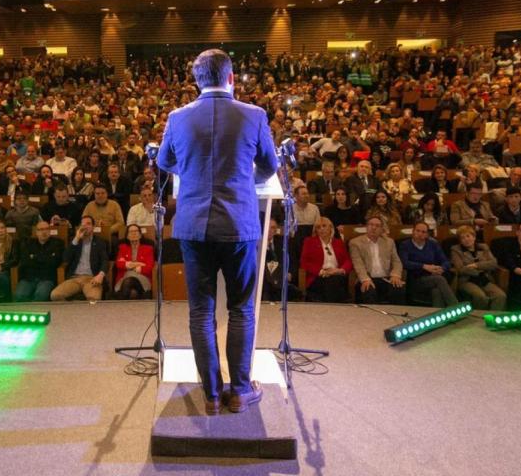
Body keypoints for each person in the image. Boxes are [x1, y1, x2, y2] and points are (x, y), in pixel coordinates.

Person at [157, 48, 277, 415]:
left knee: (200, 311)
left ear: (196, 80)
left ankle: (210, 395)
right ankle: (239, 391)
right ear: (231, 77)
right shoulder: (253, 115)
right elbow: (269, 166)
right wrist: (244, 180)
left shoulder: (177, 118)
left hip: (193, 227)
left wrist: (193, 174)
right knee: (241, 308)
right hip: (238, 226)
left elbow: (164, 161)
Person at [398, 222, 458, 307]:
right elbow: (404, 263)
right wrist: (424, 266)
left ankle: (438, 315)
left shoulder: (433, 244)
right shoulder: (405, 245)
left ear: (427, 234)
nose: (420, 234)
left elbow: (446, 261)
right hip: (415, 279)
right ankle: (455, 307)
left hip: (433, 277)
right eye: (417, 231)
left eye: (423, 232)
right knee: (439, 280)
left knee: (436, 291)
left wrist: (441, 269)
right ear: (413, 231)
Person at [348, 215, 405, 305]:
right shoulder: (355, 243)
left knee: (398, 288)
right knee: (368, 290)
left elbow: (396, 261)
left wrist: (396, 275)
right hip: (367, 278)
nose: (374, 228)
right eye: (371, 225)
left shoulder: (389, 242)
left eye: (377, 226)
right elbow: (358, 264)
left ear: (382, 229)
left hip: (386, 278)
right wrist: (365, 279)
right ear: (366, 227)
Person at [450, 225, 505, 310]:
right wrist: (484, 267)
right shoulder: (456, 250)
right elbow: (460, 269)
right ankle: (480, 319)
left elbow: (494, 263)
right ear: (460, 241)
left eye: (468, 236)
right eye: (462, 238)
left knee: (500, 296)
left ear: (474, 236)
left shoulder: (483, 247)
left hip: (484, 279)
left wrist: (476, 265)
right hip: (467, 280)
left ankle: (492, 318)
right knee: (480, 297)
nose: (466, 239)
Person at [299, 217, 352, 303]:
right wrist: (321, 272)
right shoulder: (309, 242)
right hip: (317, 276)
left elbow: (347, 261)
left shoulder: (338, 242)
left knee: (334, 281)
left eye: (324, 226)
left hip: (337, 275)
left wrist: (339, 270)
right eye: (318, 227)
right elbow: (304, 262)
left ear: (331, 228)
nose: (321, 229)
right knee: (332, 284)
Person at [15, 221, 65, 302]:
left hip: (47, 278)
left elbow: (55, 262)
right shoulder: (28, 244)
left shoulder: (57, 243)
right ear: (36, 232)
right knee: (19, 295)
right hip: (29, 278)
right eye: (41, 229)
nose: (44, 232)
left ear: (50, 231)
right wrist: (46, 258)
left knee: (40, 295)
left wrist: (34, 257)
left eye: (46, 229)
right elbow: (25, 261)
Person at [113, 224, 155, 299]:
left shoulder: (148, 249)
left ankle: (120, 305)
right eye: (131, 232)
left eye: (136, 231)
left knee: (128, 281)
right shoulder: (122, 248)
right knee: (128, 281)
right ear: (127, 236)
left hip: (142, 278)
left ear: (140, 235)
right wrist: (138, 264)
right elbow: (119, 264)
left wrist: (128, 264)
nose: (134, 233)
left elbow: (149, 266)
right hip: (124, 277)